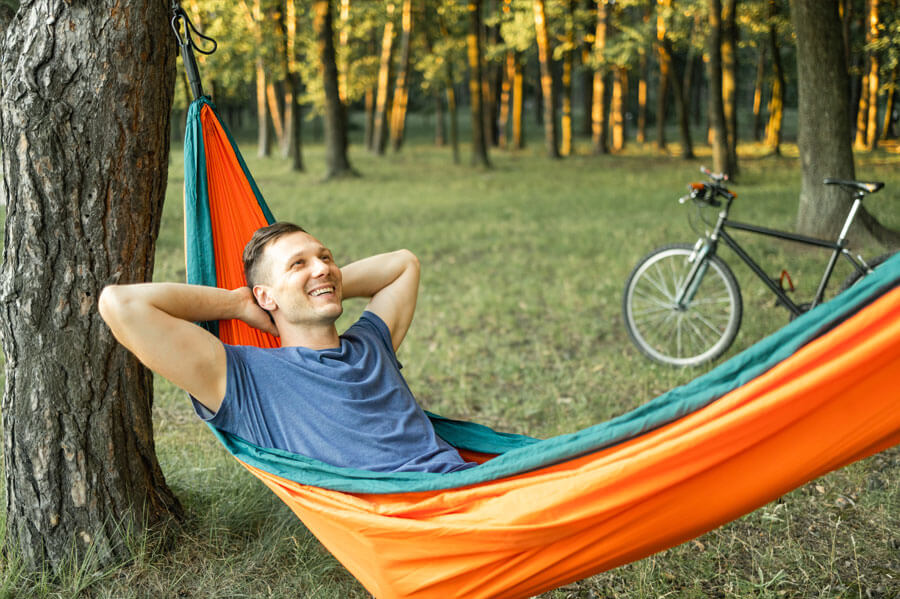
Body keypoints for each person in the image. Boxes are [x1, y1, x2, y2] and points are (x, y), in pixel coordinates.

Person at [99, 222, 475, 473]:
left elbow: (403, 264)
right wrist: (238, 303)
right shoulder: (246, 379)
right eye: (298, 264)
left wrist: (317, 284)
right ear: (265, 295)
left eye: (325, 257)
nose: (322, 267)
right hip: (407, 513)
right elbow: (121, 304)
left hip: (468, 484)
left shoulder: (372, 343)